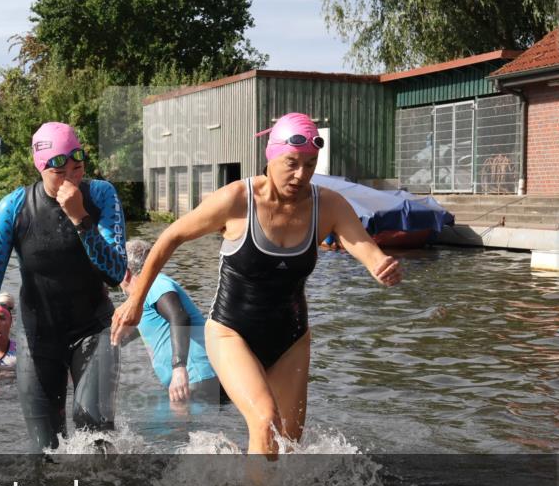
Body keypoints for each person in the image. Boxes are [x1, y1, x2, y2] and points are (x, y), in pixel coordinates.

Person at [111, 113, 402, 454]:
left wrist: (382, 266)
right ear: (271, 156)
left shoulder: (328, 205)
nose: (300, 175)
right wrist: (135, 301)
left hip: (291, 339)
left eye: (310, 165)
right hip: (231, 333)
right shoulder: (237, 200)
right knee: (264, 421)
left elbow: (366, 249)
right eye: (291, 163)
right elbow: (170, 237)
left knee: (289, 446)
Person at [0, 121, 126, 452]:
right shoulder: (12, 209)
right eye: (61, 170)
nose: (72, 177)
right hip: (38, 337)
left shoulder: (100, 195)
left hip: (94, 330)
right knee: (46, 453)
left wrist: (81, 220)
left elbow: (115, 272)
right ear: (40, 167)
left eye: (78, 166)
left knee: (93, 428)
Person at [120, 239, 224, 407]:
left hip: (195, 377)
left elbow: (179, 317)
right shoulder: (143, 296)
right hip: (194, 380)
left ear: (125, 273)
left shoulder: (155, 284)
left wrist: (178, 369)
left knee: (175, 432)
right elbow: (134, 332)